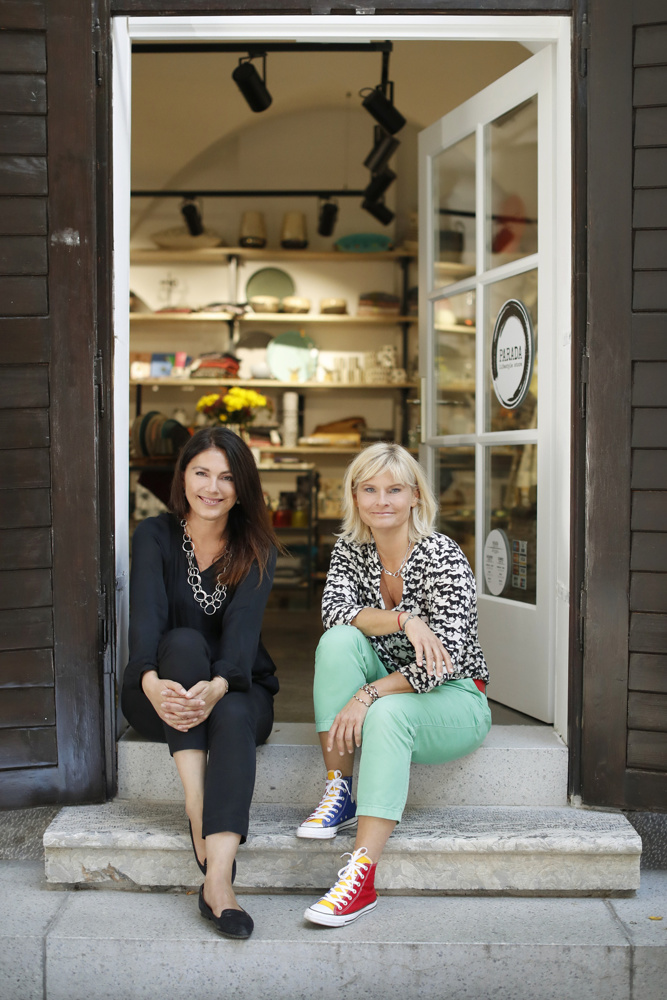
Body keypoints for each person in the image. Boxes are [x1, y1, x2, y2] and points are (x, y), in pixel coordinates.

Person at [298, 442, 491, 927]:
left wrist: (367, 694)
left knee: (386, 712)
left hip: (455, 699)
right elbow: (334, 612)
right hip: (390, 682)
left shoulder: (442, 556)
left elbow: (441, 665)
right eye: (369, 489)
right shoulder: (351, 549)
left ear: (415, 497)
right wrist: (405, 619)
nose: (381, 500)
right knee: (337, 642)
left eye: (394, 490)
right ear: (354, 497)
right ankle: (340, 789)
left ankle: (361, 878)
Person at [121, 427, 279, 940]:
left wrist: (218, 686)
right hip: (159, 694)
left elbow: (242, 637)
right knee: (185, 642)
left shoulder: (257, 547)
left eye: (227, 477)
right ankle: (197, 803)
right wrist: (148, 680)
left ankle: (218, 883)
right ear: (183, 477)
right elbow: (146, 621)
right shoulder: (154, 534)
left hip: (235, 689)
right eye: (202, 473)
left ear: (242, 487)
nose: (212, 488)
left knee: (232, 710)